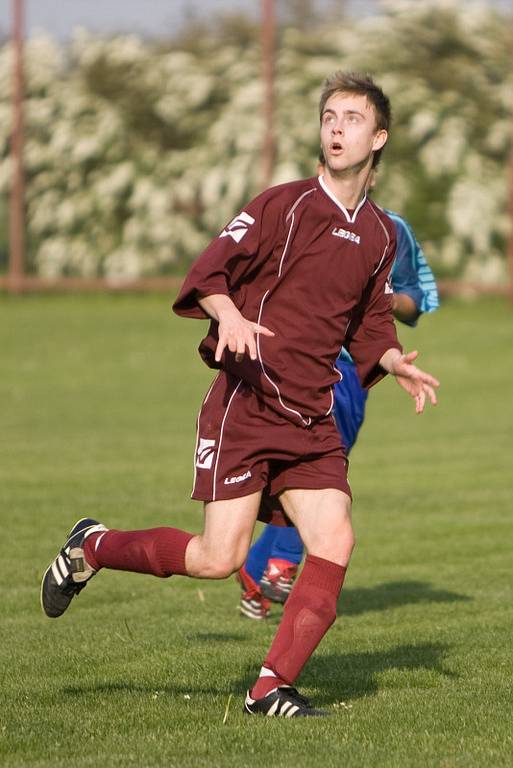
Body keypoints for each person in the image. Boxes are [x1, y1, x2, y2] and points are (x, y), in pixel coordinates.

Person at [40, 71, 439, 718]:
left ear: (378, 137)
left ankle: (269, 687)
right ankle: (93, 545)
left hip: (311, 414)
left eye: (352, 119)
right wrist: (225, 314)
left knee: (334, 541)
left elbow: (368, 319)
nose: (336, 128)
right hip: (248, 404)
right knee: (214, 558)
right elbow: (208, 271)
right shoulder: (282, 204)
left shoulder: (380, 235)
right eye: (328, 117)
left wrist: (393, 361)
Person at [237, 197, 440, 619]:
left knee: (320, 465)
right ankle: (276, 567)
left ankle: (262, 569)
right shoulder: (294, 212)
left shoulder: (389, 228)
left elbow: (416, 298)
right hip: (285, 361)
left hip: (346, 371)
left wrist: (379, 297)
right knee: (303, 467)